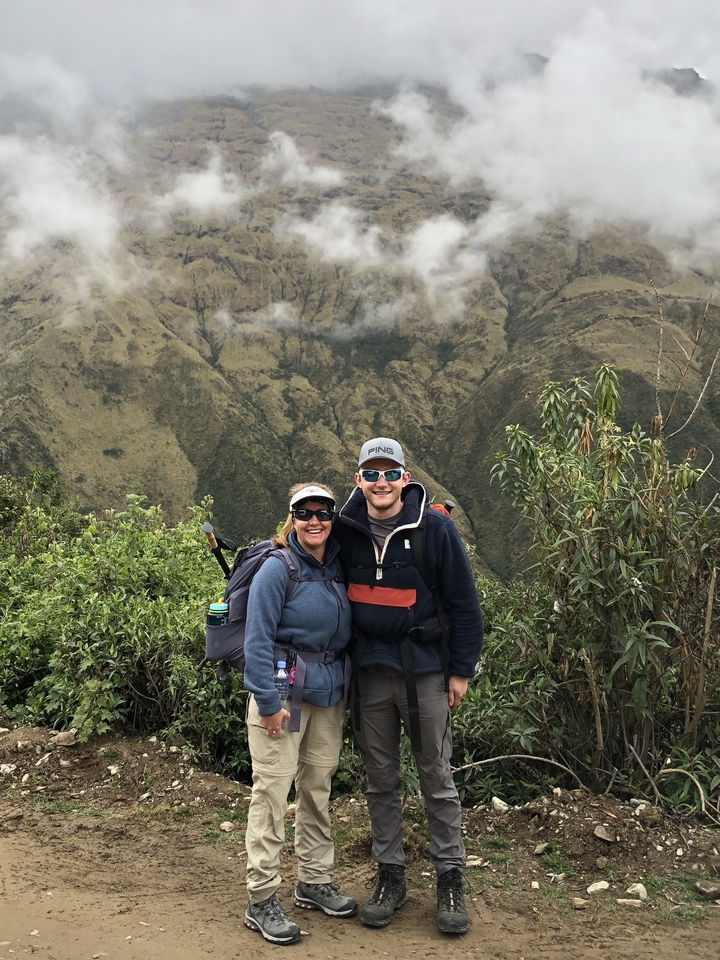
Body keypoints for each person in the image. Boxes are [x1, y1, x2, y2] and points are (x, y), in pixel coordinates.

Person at [334, 438, 483, 935]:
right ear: (358, 479)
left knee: (436, 777)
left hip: (424, 671)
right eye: (371, 474)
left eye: (389, 473)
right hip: (371, 672)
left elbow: (464, 604)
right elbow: (308, 556)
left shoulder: (434, 528)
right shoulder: (345, 530)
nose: (381, 483)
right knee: (381, 779)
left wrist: (460, 671)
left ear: (405, 477)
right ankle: (390, 875)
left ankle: (450, 877)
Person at [242, 483, 357, 945]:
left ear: (332, 516)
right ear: (291, 517)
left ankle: (313, 879)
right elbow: (257, 640)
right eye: (305, 512)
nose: (315, 520)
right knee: (272, 792)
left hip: (328, 696)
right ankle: (262, 897)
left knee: (317, 788)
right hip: (283, 696)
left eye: (323, 512)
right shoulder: (277, 568)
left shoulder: (335, 567)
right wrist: (267, 703)